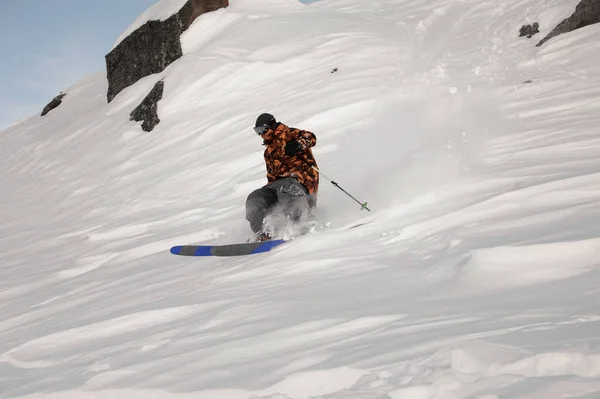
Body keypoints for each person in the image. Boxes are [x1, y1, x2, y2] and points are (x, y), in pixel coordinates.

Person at [246, 113, 319, 242]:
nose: (260, 134)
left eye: (262, 129)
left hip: (301, 181)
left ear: (271, 126)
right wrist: (270, 201)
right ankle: (263, 233)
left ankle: (300, 223)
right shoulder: (268, 152)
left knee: (288, 186)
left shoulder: (289, 134)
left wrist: (298, 144)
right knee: (255, 198)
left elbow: (311, 137)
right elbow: (271, 177)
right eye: (257, 131)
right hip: (280, 186)